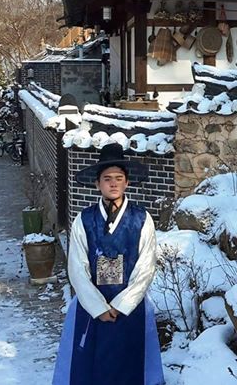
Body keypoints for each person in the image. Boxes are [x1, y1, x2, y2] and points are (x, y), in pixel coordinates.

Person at [53, 142, 164, 385]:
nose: (113, 183)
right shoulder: (84, 219)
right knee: (90, 368)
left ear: (127, 182)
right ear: (97, 183)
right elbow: (77, 267)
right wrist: (98, 307)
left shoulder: (141, 219)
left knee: (130, 364)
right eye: (107, 178)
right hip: (91, 307)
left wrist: (123, 304)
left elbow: (146, 267)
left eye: (118, 178)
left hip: (130, 308)